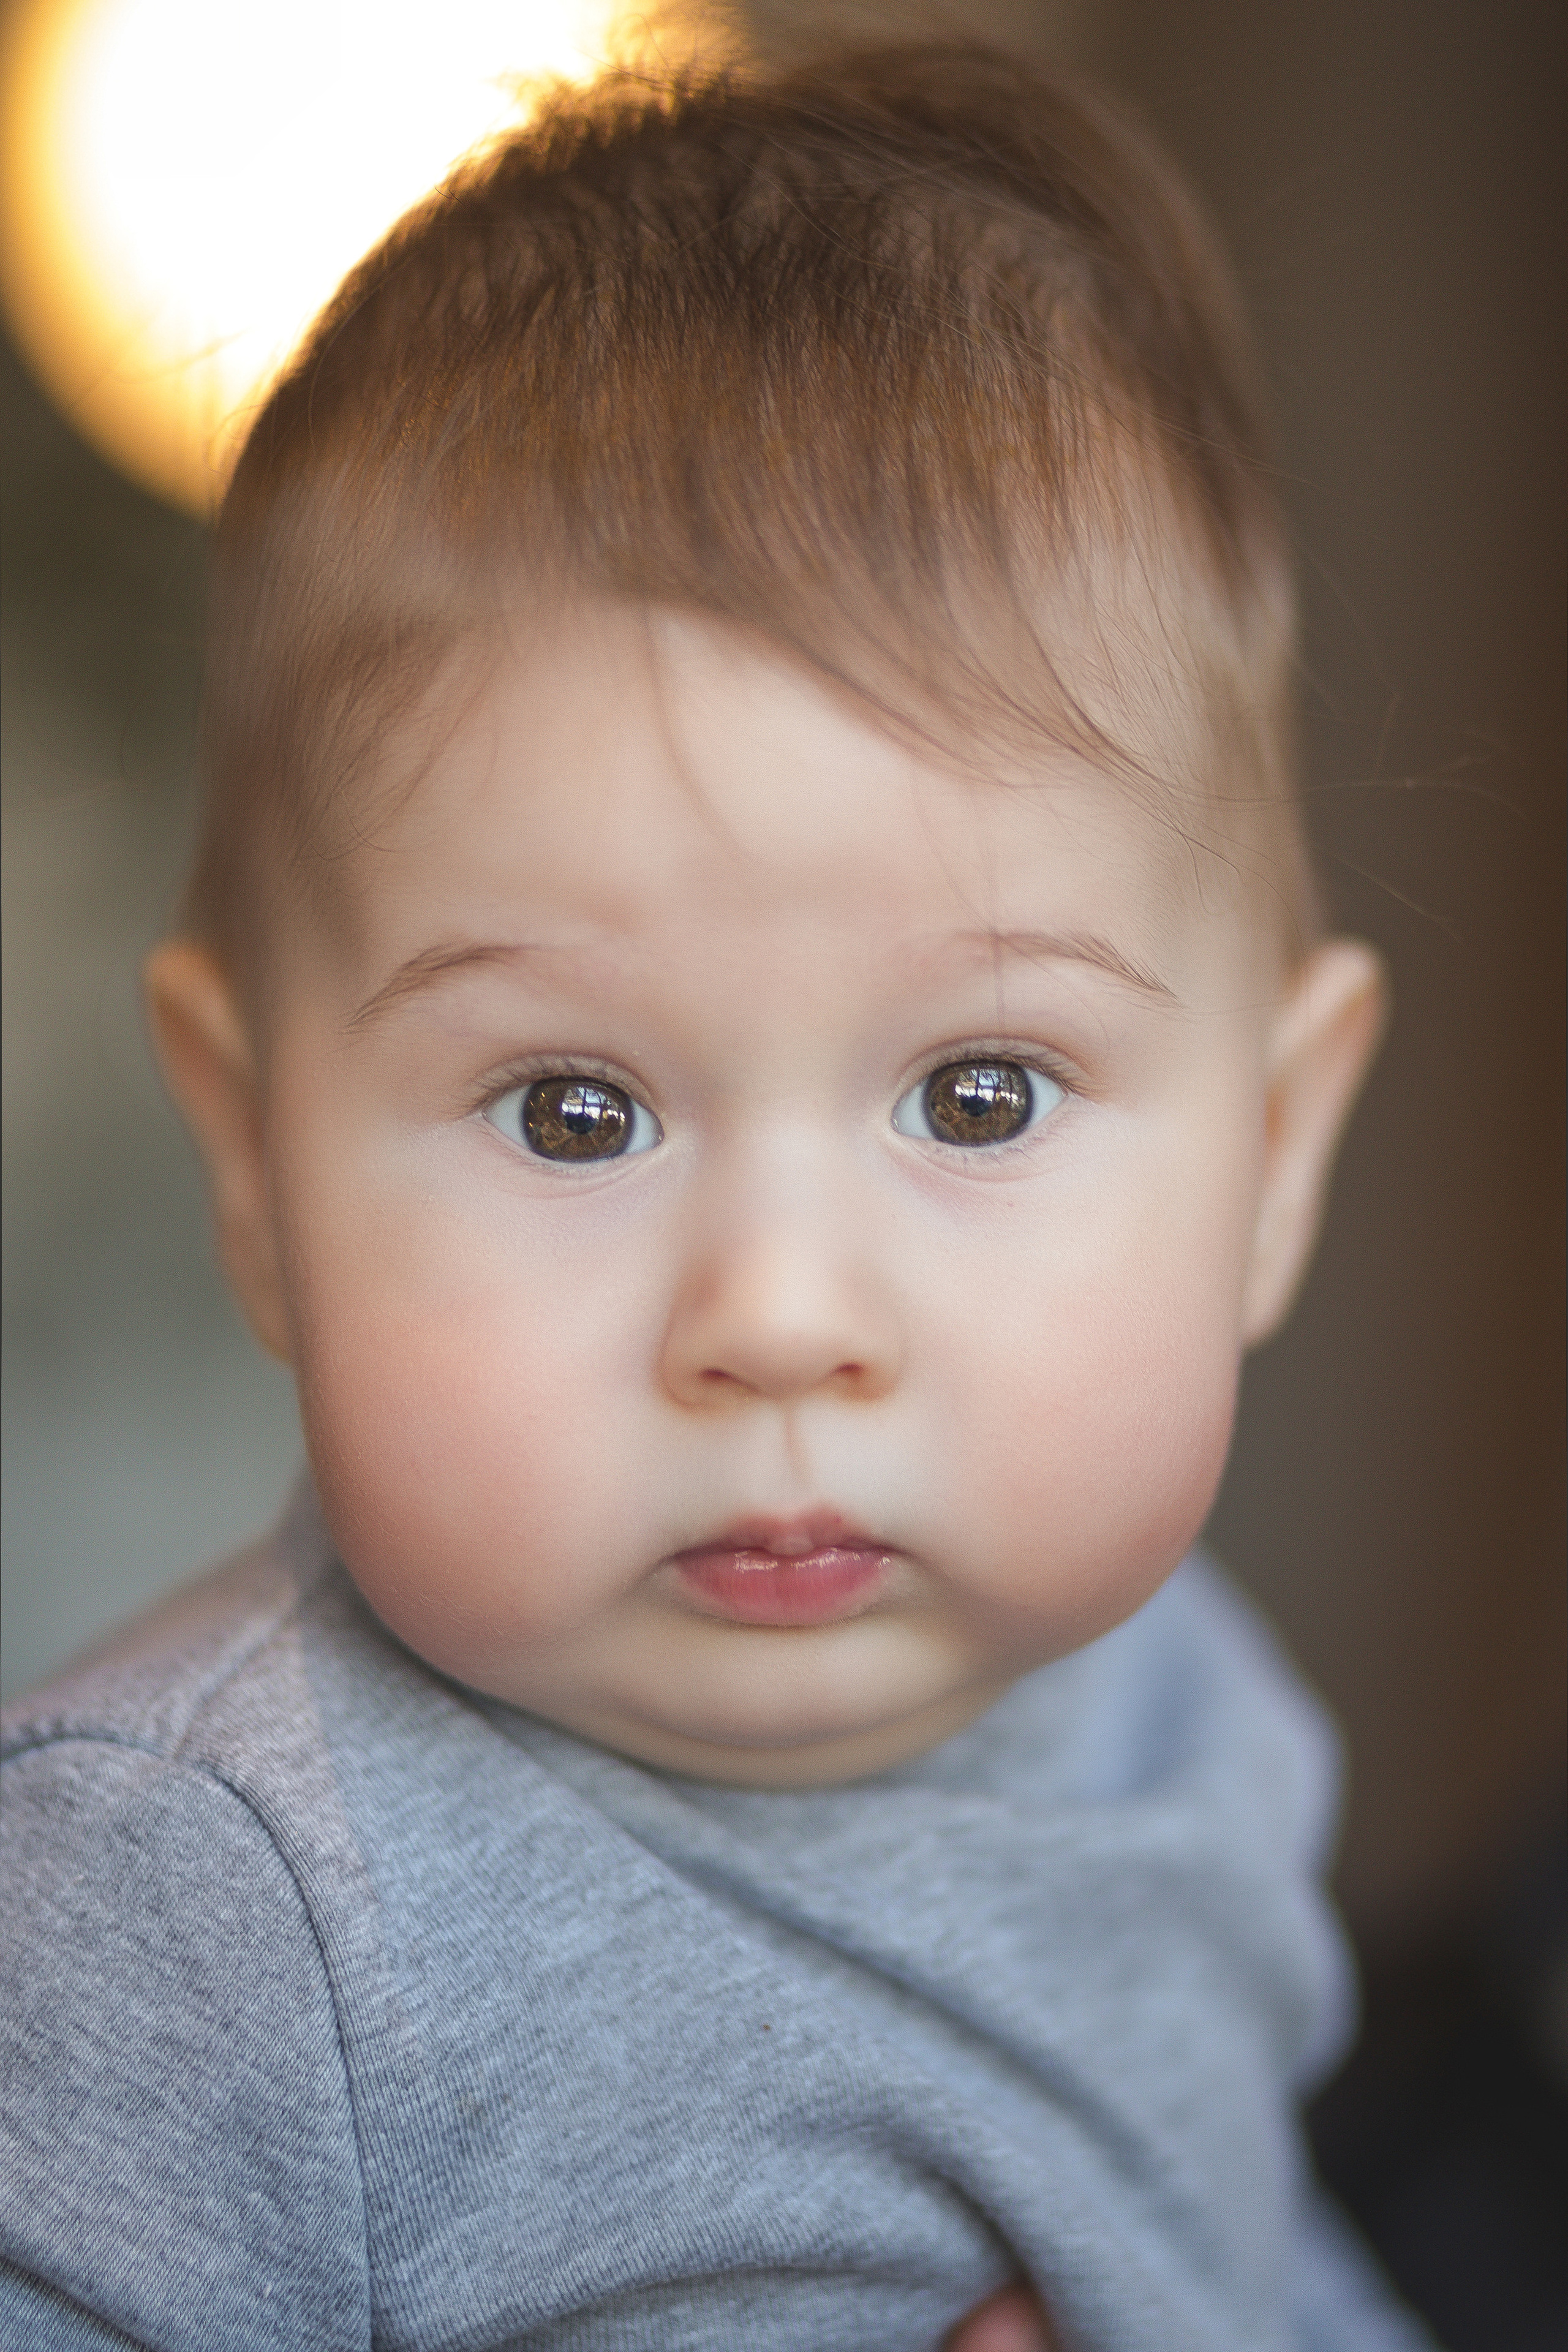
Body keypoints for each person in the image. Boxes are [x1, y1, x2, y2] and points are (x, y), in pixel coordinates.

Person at [1, 42, 1439, 2352]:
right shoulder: (184, 1908)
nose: (776, 1316)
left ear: (1274, 1158)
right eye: (576, 1111)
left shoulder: (1189, 1721)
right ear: (253, 1166)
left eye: (979, 1094)